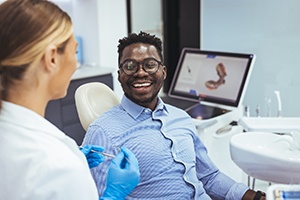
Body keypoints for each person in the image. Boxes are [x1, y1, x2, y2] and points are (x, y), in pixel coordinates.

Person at [82, 31, 266, 200]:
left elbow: (209, 177)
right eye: (130, 66)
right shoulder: (103, 132)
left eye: (150, 65)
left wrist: (255, 197)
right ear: (120, 74)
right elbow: (97, 194)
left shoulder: (181, 118)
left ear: (163, 72)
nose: (140, 73)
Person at [0, 0, 139, 199]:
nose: (75, 64)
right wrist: (113, 195)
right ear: (52, 59)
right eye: (74, 51)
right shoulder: (59, 164)